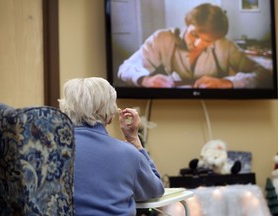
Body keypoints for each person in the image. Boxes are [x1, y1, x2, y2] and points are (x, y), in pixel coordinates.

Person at [58, 77, 164, 216]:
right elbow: (154, 191)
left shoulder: (48, 151)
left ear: (66, 108)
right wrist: (133, 139)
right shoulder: (128, 154)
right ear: (110, 115)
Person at [118, 3, 272, 89]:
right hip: (170, 107)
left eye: (208, 41)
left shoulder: (225, 45)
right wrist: (145, 80)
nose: (198, 44)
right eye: (195, 34)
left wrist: (229, 82)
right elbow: (126, 68)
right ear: (188, 23)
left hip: (218, 109)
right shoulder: (162, 38)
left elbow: (264, 75)